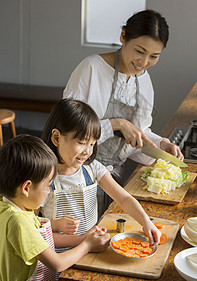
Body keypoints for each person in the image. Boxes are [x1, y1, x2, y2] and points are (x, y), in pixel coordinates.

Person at [63, 9, 184, 217]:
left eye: (154, 56)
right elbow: (68, 130)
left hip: (117, 179)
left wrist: (161, 144)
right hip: (78, 177)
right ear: (122, 36)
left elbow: (137, 133)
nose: (144, 63)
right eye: (139, 51)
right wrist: (116, 123)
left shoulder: (144, 81)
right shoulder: (91, 68)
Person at [0, 134, 110, 281]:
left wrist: (82, 238)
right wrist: (87, 245)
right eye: (47, 186)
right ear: (27, 188)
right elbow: (57, 263)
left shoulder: (9, 207)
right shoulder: (18, 222)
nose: (48, 192)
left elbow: (39, 243)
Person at [41, 99, 161, 244]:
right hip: (59, 258)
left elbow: (124, 199)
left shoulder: (92, 168)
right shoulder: (42, 177)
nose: (87, 151)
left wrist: (145, 221)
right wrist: (76, 238)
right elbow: (34, 231)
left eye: (92, 144)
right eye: (81, 143)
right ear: (56, 138)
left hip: (90, 251)